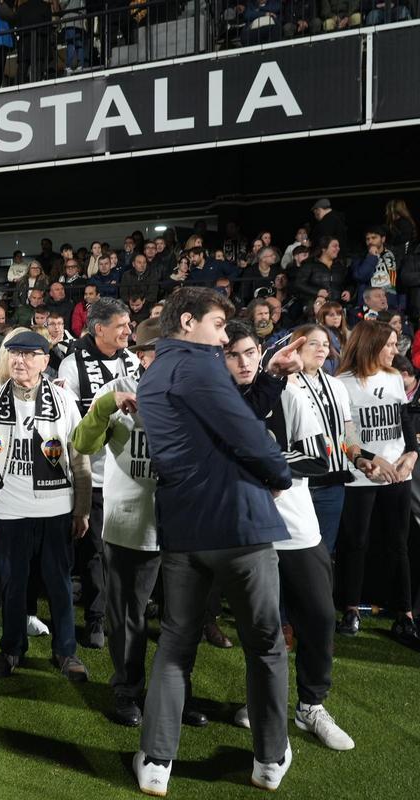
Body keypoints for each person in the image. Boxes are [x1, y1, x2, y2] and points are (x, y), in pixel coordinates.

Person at [134, 287, 297, 796]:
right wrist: (279, 475)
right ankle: (269, 760)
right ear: (188, 322)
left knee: (176, 645)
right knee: (266, 645)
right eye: (219, 325)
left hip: (183, 532)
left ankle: (157, 761)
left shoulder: (154, 371)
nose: (225, 336)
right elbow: (248, 434)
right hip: (239, 529)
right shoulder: (201, 366)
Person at [222, 321, 355, 751]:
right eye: (232, 354)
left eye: (248, 353)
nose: (243, 362)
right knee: (262, 629)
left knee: (318, 617)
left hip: (298, 528)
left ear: (260, 352)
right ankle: (262, 701)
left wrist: (265, 462)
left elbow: (320, 457)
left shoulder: (290, 394)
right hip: (248, 532)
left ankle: (311, 705)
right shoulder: (218, 402)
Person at [0, 331, 91, 680]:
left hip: (55, 511)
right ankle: (11, 650)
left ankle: (66, 653)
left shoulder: (63, 400)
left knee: (60, 585)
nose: (19, 361)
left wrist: (82, 508)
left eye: (28, 354)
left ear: (44, 361)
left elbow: (79, 457)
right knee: (14, 584)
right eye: (14, 354)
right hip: (7, 511)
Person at [71, 320, 163, 726]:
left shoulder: (193, 391)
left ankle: (175, 694)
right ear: (141, 355)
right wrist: (106, 405)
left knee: (182, 619)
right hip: (129, 521)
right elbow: (83, 444)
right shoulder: (119, 388)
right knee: (127, 616)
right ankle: (127, 691)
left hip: (182, 523)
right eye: (157, 351)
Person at [58, 297, 139, 649]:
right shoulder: (71, 365)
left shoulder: (133, 360)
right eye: (121, 325)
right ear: (99, 328)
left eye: (129, 323)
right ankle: (95, 617)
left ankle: (124, 609)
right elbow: (72, 425)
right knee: (94, 552)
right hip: (94, 474)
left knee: (125, 549)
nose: (128, 330)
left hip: (130, 473)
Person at [334, 321, 420, 644]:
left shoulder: (395, 377)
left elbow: (405, 419)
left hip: (399, 472)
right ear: (371, 345)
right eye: (390, 345)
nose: (395, 351)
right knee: (355, 543)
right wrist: (370, 458)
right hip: (361, 474)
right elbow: (345, 433)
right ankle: (351, 609)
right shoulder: (341, 383)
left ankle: (405, 614)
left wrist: (412, 454)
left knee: (399, 543)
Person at [289, 324, 355, 553]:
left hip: (332, 482)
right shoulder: (284, 385)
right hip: (299, 482)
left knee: (326, 551)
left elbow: (348, 431)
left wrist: (362, 458)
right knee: (296, 553)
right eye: (313, 343)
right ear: (296, 347)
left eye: (325, 344)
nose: (321, 349)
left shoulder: (337, 386)